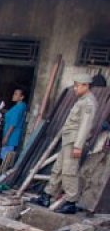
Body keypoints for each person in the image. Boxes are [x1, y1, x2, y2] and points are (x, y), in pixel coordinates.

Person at [34, 74, 97, 214]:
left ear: (86, 86)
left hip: (74, 141)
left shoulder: (88, 102)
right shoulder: (81, 100)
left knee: (69, 171)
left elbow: (85, 126)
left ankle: (71, 202)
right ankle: (46, 195)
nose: (75, 88)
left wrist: (78, 146)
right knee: (58, 169)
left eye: (77, 85)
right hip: (68, 140)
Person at [0, 88, 27, 162]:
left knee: (6, 160)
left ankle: (3, 173)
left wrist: (6, 137)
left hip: (11, 137)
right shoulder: (20, 106)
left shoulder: (18, 108)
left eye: (16, 94)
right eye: (14, 93)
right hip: (12, 137)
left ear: (21, 97)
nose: (13, 95)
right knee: (7, 159)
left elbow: (13, 124)